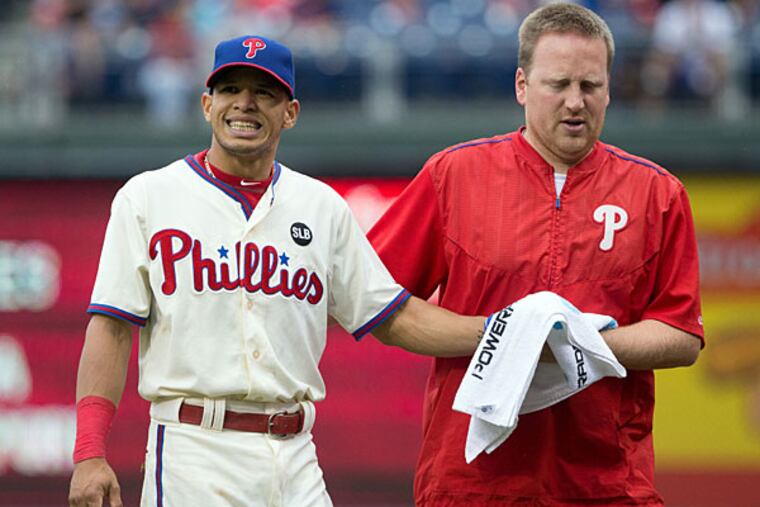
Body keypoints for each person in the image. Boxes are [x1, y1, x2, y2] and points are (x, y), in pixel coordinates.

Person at [67, 35, 488, 507]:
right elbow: (111, 327)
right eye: (229, 90)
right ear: (207, 104)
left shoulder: (321, 206)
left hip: (295, 453)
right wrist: (89, 452)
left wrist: (498, 334)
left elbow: (396, 317)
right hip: (194, 448)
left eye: (264, 93)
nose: (244, 104)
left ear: (290, 112)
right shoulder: (148, 197)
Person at [367, 3, 704, 506]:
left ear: (609, 90)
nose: (575, 102)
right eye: (558, 84)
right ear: (522, 85)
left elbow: (682, 335)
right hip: (472, 481)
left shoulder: (658, 194)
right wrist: (511, 335)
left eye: (590, 86)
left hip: (607, 482)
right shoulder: (452, 175)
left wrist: (574, 340)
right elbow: (377, 303)